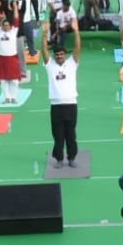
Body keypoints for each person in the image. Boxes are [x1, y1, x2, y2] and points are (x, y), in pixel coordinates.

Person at [42, 18, 82, 167]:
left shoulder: (72, 63)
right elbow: (44, 50)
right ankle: (59, 159)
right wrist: (45, 33)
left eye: (61, 54)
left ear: (65, 55)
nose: (59, 56)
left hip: (71, 104)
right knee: (58, 136)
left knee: (71, 135)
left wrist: (76, 31)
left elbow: (78, 48)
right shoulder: (50, 65)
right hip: (56, 106)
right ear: (55, 56)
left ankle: (71, 158)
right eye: (57, 54)